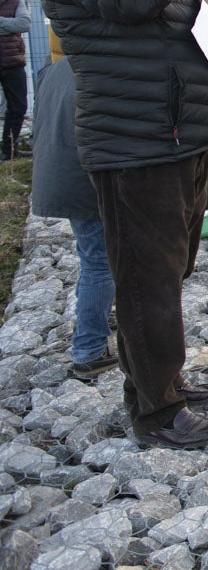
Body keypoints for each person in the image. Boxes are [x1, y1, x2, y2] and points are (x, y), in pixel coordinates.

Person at [33, 0, 208, 449]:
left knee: (170, 272)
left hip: (176, 133)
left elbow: (174, 5)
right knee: (146, 282)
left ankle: (162, 382)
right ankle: (157, 412)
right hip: (136, 140)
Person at [30, 55, 118, 380]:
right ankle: (89, 350)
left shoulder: (57, 68)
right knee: (99, 261)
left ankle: (99, 321)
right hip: (84, 179)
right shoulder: (96, 67)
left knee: (93, 257)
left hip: (58, 173)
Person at [0, 0, 30, 160]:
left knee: (18, 106)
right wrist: (8, 25)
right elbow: (16, 24)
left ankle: (9, 151)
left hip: (12, 62)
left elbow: (24, 23)